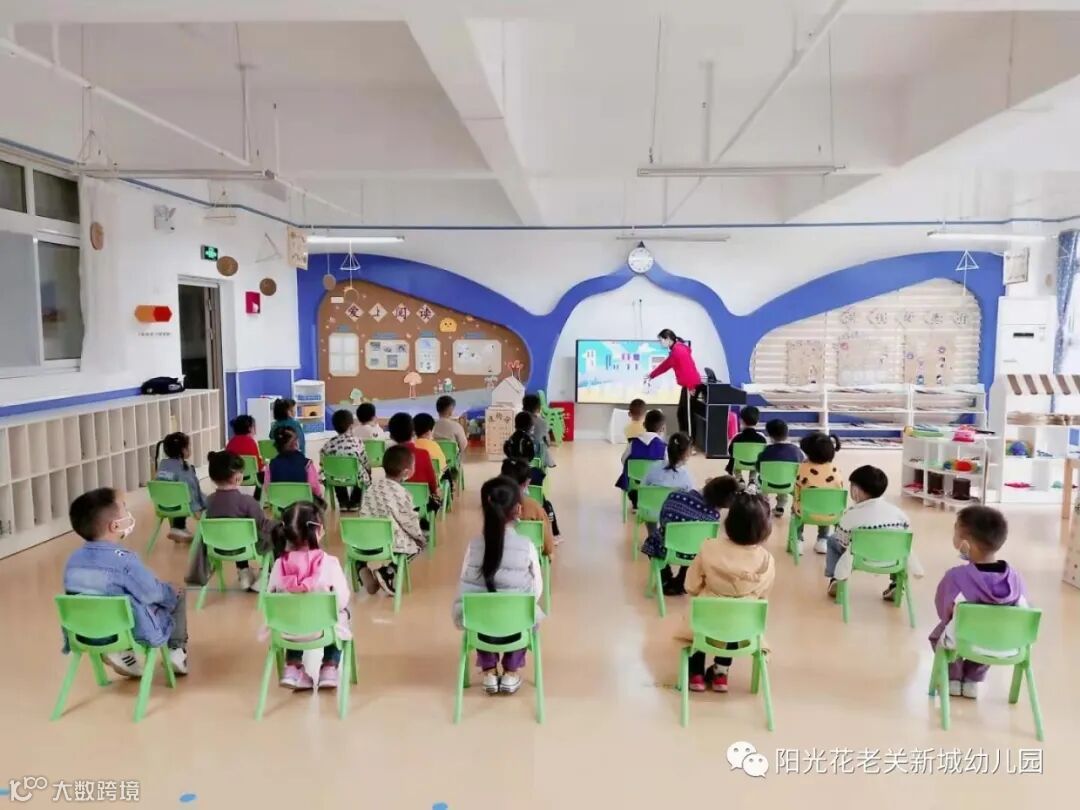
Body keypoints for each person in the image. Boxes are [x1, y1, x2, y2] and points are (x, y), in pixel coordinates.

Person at [64, 488, 190, 676]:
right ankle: (176, 651)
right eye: (124, 508)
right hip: (129, 632)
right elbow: (151, 593)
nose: (128, 513)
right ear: (115, 526)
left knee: (114, 598)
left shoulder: (73, 560)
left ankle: (118, 652)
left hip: (85, 633)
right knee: (174, 594)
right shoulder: (124, 561)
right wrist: (169, 591)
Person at [452, 476, 544, 696]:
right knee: (522, 610)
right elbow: (537, 589)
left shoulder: (473, 546)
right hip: (516, 627)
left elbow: (464, 584)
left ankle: (489, 671)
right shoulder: (526, 546)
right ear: (518, 510)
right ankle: (511, 672)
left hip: (480, 628)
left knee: (479, 609)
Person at [930, 505, 1029, 700]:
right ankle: (972, 680)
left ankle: (953, 677)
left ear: (966, 544)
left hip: (965, 642)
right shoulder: (1015, 578)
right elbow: (1023, 611)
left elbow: (943, 610)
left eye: (955, 532)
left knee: (941, 633)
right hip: (1005, 644)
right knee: (993, 628)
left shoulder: (956, 577)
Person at [681, 491, 775, 693]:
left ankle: (696, 674)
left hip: (706, 620)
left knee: (696, 620)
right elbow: (763, 594)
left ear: (729, 521)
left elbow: (691, 585)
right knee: (735, 615)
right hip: (744, 630)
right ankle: (721, 674)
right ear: (765, 528)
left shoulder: (709, 547)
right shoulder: (766, 560)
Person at [265, 502, 351, 691]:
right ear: (318, 530)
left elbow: (271, 597)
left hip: (287, 633)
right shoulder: (330, 563)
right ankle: (329, 667)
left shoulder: (279, 564)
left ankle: (292, 667)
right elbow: (342, 600)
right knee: (343, 611)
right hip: (324, 631)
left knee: (292, 614)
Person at [642, 476, 739, 595]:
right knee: (699, 544)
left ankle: (664, 576)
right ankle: (682, 581)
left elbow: (662, 521)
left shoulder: (674, 496)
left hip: (667, 550)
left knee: (654, 538)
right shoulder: (712, 517)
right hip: (694, 556)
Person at [825, 465, 911, 598]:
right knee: (895, 544)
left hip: (861, 558)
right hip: (892, 559)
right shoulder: (897, 512)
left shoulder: (851, 515)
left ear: (856, 491)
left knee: (832, 540)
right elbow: (906, 533)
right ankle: (896, 584)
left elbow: (843, 542)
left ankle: (836, 580)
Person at [200, 451, 278, 591]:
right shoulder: (247, 501)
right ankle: (266, 575)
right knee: (274, 535)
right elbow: (263, 525)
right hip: (248, 548)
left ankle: (244, 572)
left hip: (218, 547)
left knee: (234, 531)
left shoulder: (209, 501)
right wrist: (279, 523)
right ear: (237, 476)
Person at [357, 444, 426, 596]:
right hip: (388, 543)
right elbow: (409, 522)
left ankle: (360, 566)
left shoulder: (371, 488)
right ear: (406, 472)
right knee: (416, 547)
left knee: (372, 539)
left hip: (363, 541)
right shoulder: (402, 493)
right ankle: (387, 571)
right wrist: (420, 538)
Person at [503, 418, 561, 538]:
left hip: (507, 534)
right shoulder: (536, 475)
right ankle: (556, 534)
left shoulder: (505, 473)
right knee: (546, 505)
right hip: (534, 532)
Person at [645, 329, 703, 438]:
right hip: (688, 385)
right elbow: (666, 365)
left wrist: (691, 387)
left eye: (661, 340)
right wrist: (652, 375)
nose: (660, 343)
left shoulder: (679, 351)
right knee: (681, 413)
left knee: (687, 415)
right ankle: (684, 438)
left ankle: (689, 441)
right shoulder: (676, 349)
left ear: (668, 339)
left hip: (690, 385)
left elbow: (688, 369)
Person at [794, 431, 843, 554]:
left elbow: (796, 490)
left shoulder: (802, 468)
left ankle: (798, 539)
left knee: (796, 506)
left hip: (805, 513)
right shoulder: (836, 470)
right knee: (826, 504)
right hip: (831, 514)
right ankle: (823, 539)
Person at [155, 431, 206, 542]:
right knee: (206, 502)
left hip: (163, 506)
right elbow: (192, 492)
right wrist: (199, 508)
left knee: (176, 495)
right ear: (183, 450)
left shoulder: (162, 465)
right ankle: (180, 528)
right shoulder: (184, 469)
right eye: (189, 446)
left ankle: (178, 527)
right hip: (182, 506)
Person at [319, 409, 372, 511]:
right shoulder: (357, 442)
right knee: (364, 473)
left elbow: (322, 463)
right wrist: (368, 470)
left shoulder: (328, 444)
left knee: (334, 472)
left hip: (334, 477)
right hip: (355, 476)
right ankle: (355, 501)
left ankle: (342, 501)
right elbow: (364, 461)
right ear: (351, 426)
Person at [387, 412, 441, 510]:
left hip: (396, 504)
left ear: (391, 436)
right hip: (422, 504)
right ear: (413, 433)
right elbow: (432, 481)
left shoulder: (389, 454)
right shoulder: (423, 454)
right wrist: (435, 492)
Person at [502, 458, 555, 557]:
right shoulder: (535, 507)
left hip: (499, 555)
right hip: (529, 555)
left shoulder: (495, 504)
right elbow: (548, 547)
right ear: (526, 483)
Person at [616, 409, 668, 508]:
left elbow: (623, 459)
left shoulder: (633, 443)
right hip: (655, 483)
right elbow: (667, 465)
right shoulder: (664, 447)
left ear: (644, 425)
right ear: (662, 429)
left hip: (634, 481)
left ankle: (637, 496)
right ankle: (651, 498)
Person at [266, 427, 324, 508]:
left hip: (280, 505)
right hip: (303, 506)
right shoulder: (307, 463)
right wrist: (319, 496)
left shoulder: (271, 464)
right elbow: (314, 486)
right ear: (296, 443)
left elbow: (267, 487)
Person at [757, 418, 805, 517]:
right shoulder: (796, 451)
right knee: (785, 478)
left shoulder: (765, 451)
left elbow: (758, 468)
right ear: (787, 432)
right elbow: (801, 469)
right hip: (789, 485)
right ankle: (781, 506)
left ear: (769, 435)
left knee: (764, 480)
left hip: (768, 484)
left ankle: (764, 506)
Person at [225, 414, 265, 500]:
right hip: (251, 478)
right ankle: (258, 499)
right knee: (266, 475)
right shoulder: (251, 442)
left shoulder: (230, 442)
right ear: (250, 428)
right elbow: (259, 466)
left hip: (232, 477)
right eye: (254, 427)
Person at [725, 405, 766, 477]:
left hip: (739, 463)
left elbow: (730, 451)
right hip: (754, 464)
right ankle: (752, 478)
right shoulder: (762, 438)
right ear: (757, 421)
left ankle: (739, 477)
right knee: (757, 458)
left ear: (741, 420)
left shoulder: (737, 437)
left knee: (735, 461)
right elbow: (763, 453)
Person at [414, 413, 453, 486]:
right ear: (429, 431)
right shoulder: (434, 445)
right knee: (446, 469)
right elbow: (442, 466)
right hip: (434, 483)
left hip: (414, 483)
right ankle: (451, 488)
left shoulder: (412, 445)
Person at [522, 394, 554, 468]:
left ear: (523, 406)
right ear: (538, 408)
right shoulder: (542, 422)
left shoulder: (519, 419)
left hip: (522, 454)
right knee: (544, 448)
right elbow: (547, 441)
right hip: (538, 454)